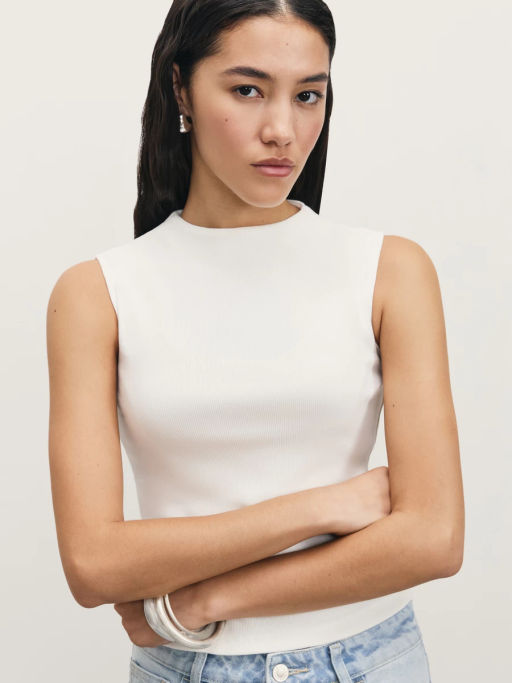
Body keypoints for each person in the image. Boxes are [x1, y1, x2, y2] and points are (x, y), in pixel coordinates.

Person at [46, 1, 465, 681]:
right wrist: (322, 506)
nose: (282, 131)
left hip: (369, 661)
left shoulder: (390, 271)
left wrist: (202, 600)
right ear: (181, 89)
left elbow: (434, 539)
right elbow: (94, 564)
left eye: (308, 96)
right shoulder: (97, 294)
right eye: (247, 90)